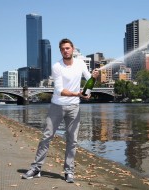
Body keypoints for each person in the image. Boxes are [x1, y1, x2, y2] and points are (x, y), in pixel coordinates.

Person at [22, 38, 99, 183]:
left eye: (68, 48)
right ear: (60, 51)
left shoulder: (80, 64)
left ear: (73, 49)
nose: (66, 50)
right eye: (63, 49)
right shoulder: (57, 66)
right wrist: (78, 94)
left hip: (74, 108)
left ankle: (69, 172)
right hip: (57, 106)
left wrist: (94, 78)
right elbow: (59, 90)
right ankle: (36, 168)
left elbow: (89, 80)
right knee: (46, 136)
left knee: (72, 141)